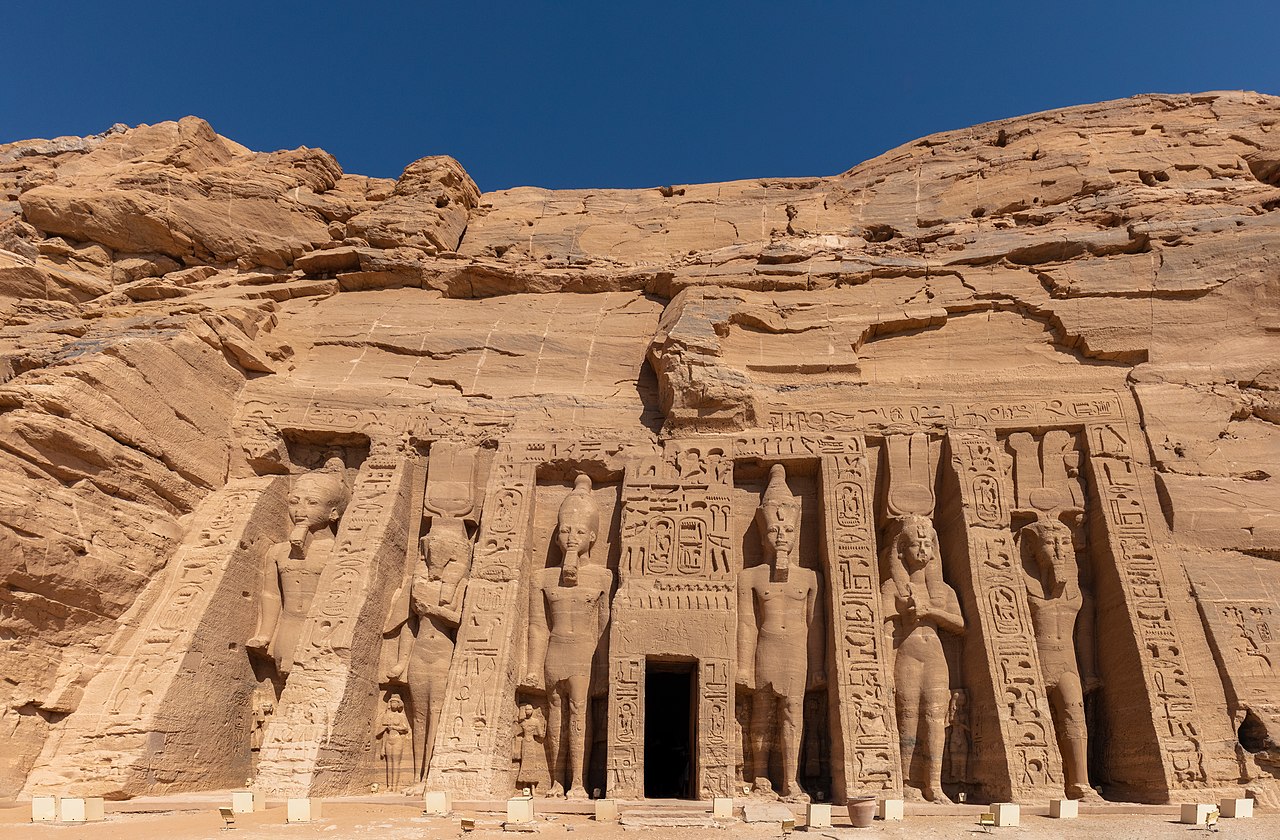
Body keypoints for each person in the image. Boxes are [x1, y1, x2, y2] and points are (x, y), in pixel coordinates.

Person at [736, 464, 823, 803]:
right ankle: (760, 776)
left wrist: (818, 667)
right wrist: (743, 666)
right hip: (766, 648)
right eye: (774, 530)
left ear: (796, 531)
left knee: (792, 713)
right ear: (763, 534)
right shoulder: (751, 576)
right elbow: (747, 623)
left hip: (796, 652)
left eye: (787, 529)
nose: (781, 536)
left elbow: (815, 625)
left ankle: (790, 781)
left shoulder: (809, 577)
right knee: (762, 714)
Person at [526, 474, 614, 800]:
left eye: (578, 532)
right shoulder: (542, 578)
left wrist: (603, 671)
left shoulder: (603, 577)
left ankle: (578, 781)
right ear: (556, 537)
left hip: (584, 654)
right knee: (554, 716)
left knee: (580, 713)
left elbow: (604, 629)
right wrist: (532, 668)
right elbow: (538, 626)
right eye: (565, 531)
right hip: (555, 651)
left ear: (592, 536)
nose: (571, 538)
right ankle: (556, 782)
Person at [881, 514, 964, 802]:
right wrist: (884, 670)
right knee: (908, 716)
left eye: (927, 544)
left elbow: (960, 624)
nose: (922, 550)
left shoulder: (943, 590)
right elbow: (884, 630)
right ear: (901, 551)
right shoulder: (892, 587)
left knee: (935, 719)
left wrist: (931, 612)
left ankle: (934, 784)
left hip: (935, 656)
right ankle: (906, 781)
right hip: (907, 654)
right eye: (916, 544)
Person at [385, 516, 472, 785]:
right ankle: (416, 776)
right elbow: (408, 629)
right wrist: (401, 662)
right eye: (431, 556)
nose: (435, 564)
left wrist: (431, 609)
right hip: (419, 656)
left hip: (443, 655)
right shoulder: (419, 585)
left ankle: (430, 776)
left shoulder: (461, 586)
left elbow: (457, 620)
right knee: (419, 717)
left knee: (437, 714)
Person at [247, 457, 349, 677]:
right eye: (294, 502)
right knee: (284, 676)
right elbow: (271, 595)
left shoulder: (338, 552)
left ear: (333, 513)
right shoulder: (277, 552)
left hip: (321, 630)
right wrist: (265, 634)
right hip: (288, 627)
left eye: (312, 503)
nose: (300, 510)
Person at [1020, 517, 1099, 800]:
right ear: (1032, 549)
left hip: (1067, 665)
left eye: (1064, 543)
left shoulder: (1080, 596)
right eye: (1049, 543)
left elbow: (1084, 638)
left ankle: (1080, 783)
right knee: (1031, 720)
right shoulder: (1022, 587)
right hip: (1032, 664)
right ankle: (1038, 781)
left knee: (1075, 716)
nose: (1058, 550)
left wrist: (1089, 673)